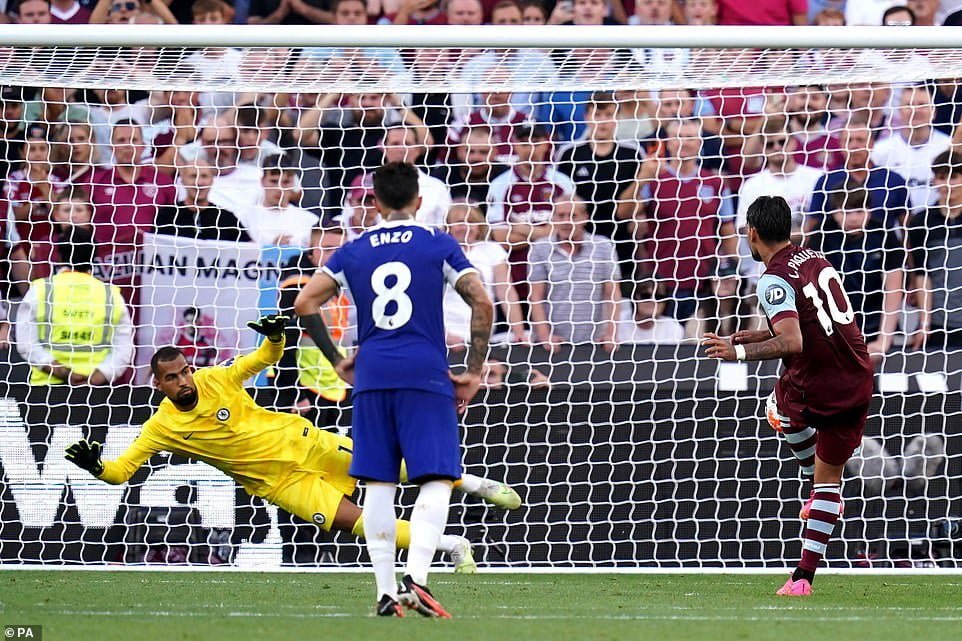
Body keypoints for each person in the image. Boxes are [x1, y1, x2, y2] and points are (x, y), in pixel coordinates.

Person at [64, 315, 519, 578]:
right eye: (172, 377)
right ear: (157, 383)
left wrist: (277, 337)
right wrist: (96, 468)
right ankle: (453, 546)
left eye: (184, 370)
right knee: (363, 525)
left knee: (392, 469)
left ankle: (475, 485)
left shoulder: (217, 377)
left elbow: (265, 357)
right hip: (280, 483)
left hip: (304, 443)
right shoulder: (160, 428)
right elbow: (122, 472)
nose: (183, 380)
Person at [293, 162, 495, 617]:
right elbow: (481, 300)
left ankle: (385, 593)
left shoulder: (354, 250)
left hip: (373, 374)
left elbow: (305, 301)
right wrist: (474, 370)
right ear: (419, 201)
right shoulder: (437, 243)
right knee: (438, 476)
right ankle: (418, 578)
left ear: (376, 203)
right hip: (425, 372)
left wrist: (336, 358)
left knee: (378, 483)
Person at [702, 195, 875, 596]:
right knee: (829, 482)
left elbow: (794, 340)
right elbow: (817, 316)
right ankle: (802, 578)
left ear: (752, 233)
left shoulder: (772, 278)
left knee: (777, 409)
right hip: (857, 376)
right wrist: (764, 332)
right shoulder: (815, 257)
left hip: (820, 383)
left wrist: (739, 352)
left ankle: (813, 486)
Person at [15, 225, 133, 386]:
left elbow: (25, 343)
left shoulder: (40, 290)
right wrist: (102, 374)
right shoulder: (111, 294)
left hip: (45, 391)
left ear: (60, 254)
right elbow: (123, 348)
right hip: (96, 392)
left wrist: (60, 370)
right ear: (94, 255)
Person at [529, 195, 620, 352]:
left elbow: (612, 294)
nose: (566, 221)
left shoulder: (603, 246)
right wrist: (545, 336)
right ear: (554, 218)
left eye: (573, 216)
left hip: (595, 342)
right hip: (554, 343)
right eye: (561, 215)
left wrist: (610, 334)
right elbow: (535, 296)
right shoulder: (540, 248)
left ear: (585, 218)